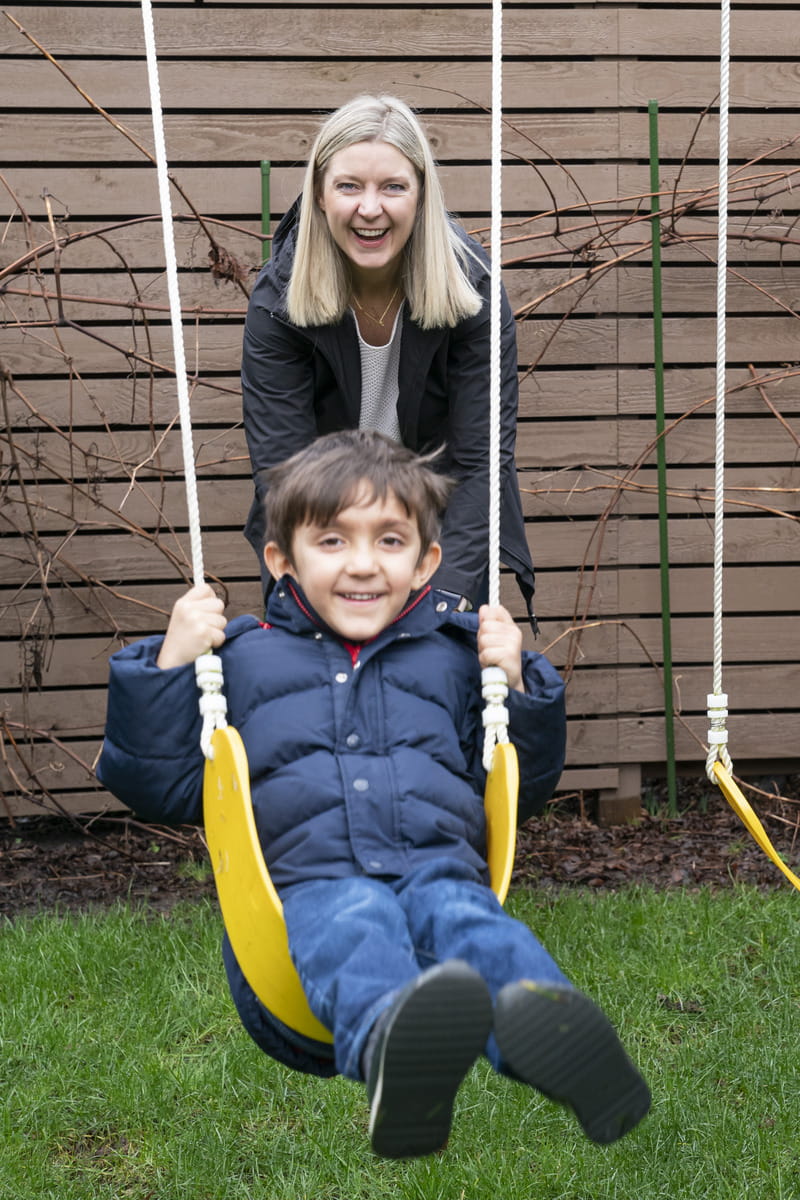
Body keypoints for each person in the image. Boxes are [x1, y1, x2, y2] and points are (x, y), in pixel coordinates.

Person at [97, 430, 650, 1160]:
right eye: (332, 541)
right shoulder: (242, 658)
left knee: (473, 924)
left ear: (424, 564)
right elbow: (157, 784)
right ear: (281, 559)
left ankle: (558, 1040)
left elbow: (518, 788)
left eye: (389, 541)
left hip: (439, 871)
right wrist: (170, 662)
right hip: (308, 893)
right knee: (356, 917)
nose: (362, 564)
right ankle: (396, 1048)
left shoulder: (456, 658)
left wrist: (516, 684)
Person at [241, 93, 537, 623]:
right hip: (326, 532)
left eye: (393, 187)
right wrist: (311, 600)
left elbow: (479, 467)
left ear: (422, 197)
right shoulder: (278, 302)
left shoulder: (474, 292)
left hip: (444, 534)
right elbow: (281, 473)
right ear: (319, 195)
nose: (370, 208)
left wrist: (442, 602)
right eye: (349, 186)